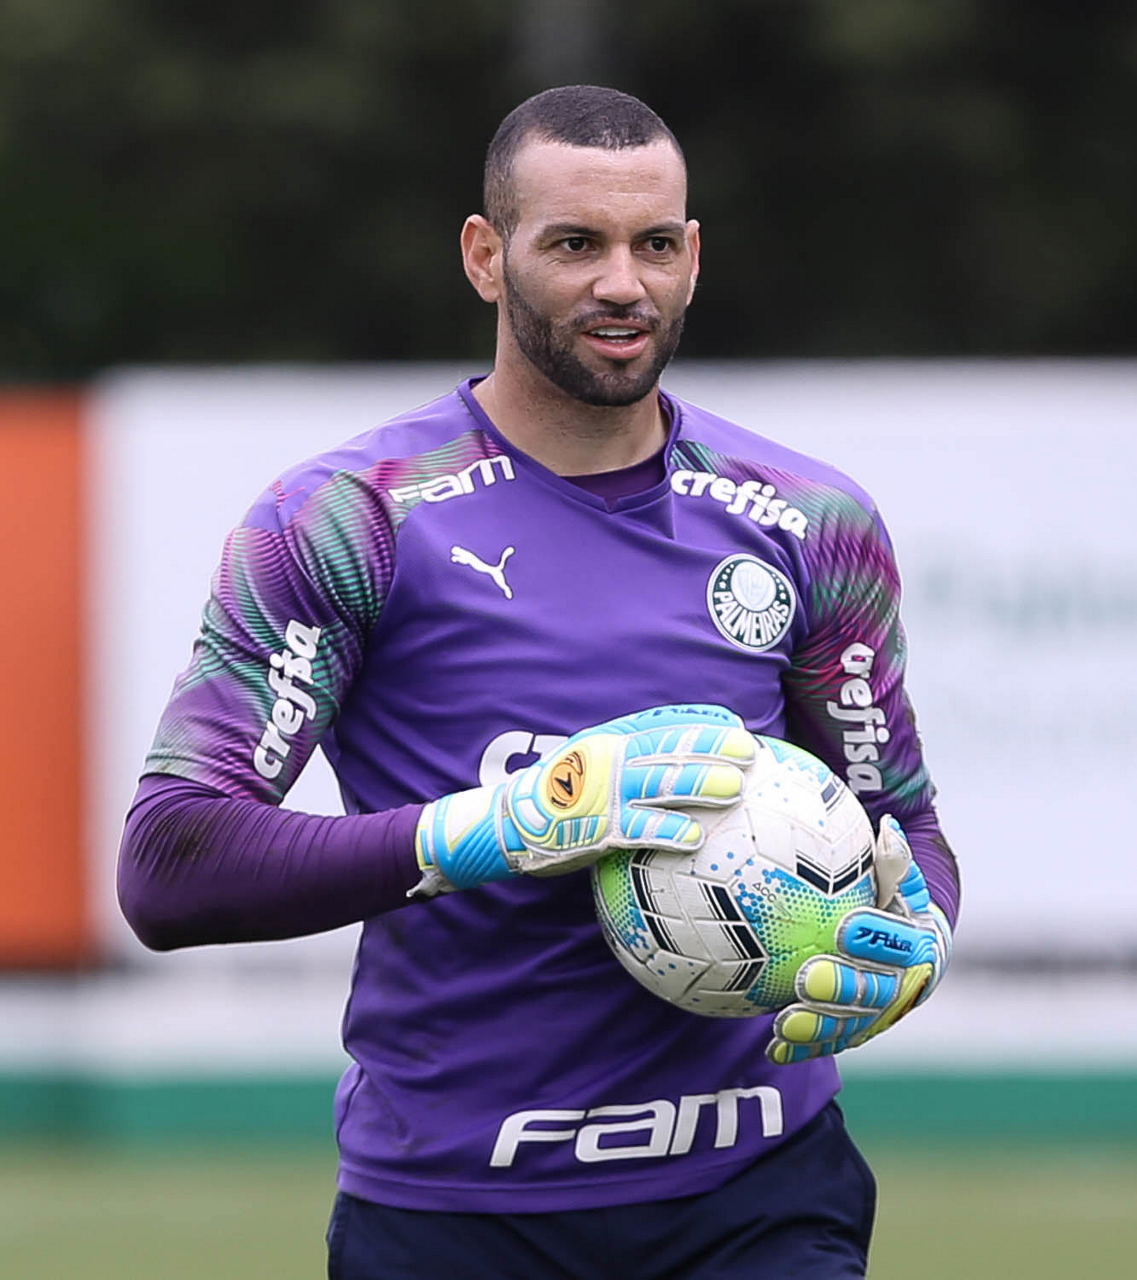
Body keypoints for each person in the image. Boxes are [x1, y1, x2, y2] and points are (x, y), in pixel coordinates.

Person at [118, 85, 959, 1279]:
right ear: (485, 255)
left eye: (653, 244)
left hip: (763, 1196)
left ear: (693, 257)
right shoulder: (348, 520)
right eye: (574, 243)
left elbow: (901, 819)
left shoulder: (812, 521)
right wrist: (503, 825)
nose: (623, 282)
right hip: (455, 1212)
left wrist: (918, 937)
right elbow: (170, 862)